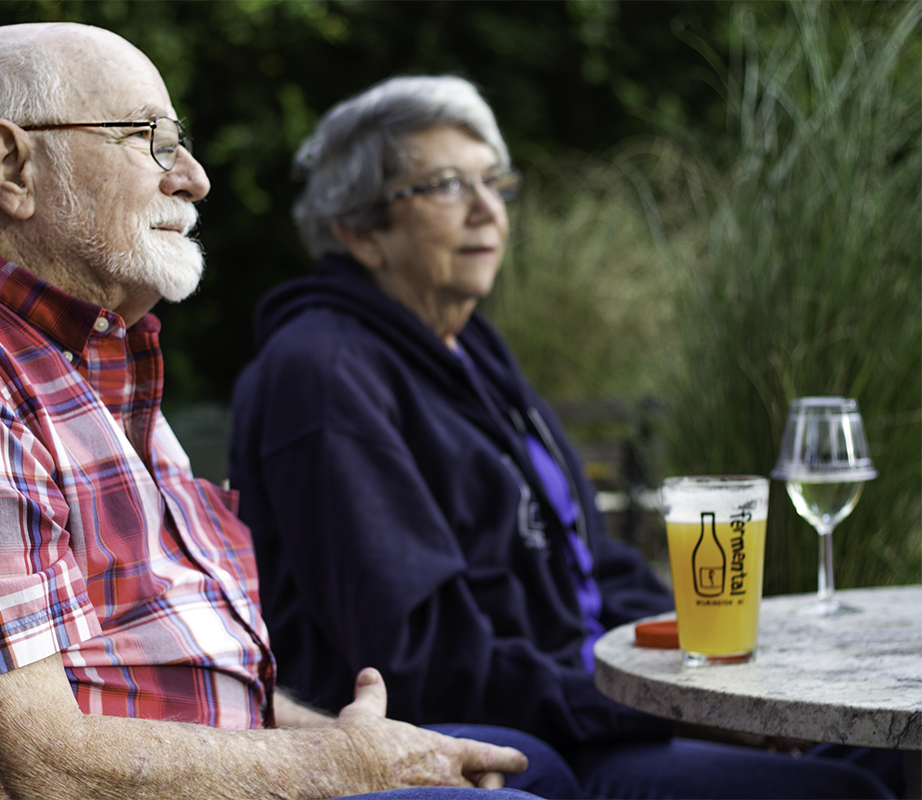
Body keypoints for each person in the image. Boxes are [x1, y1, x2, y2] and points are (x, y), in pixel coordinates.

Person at [0, 26, 570, 800]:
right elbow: (22, 774)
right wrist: (342, 768)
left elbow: (166, 671)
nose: (193, 175)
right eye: (149, 139)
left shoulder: (73, 353)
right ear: (11, 169)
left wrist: (360, 743)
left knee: (531, 766)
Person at [227, 75, 898, 800]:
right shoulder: (324, 373)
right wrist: (643, 707)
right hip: (503, 731)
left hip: (582, 706)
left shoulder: (473, 351)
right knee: (839, 791)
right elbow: (424, 656)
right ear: (360, 231)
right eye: (449, 187)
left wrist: (711, 674)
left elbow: (597, 561)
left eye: (495, 182)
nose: (489, 211)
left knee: (891, 754)